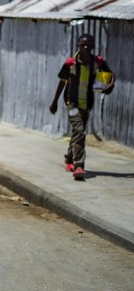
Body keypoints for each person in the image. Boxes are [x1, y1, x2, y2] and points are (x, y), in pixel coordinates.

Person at [49, 33, 115, 181]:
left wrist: (110, 85)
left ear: (93, 46)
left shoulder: (97, 61)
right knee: (79, 130)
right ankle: (79, 165)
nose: (86, 47)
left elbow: (110, 74)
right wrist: (54, 102)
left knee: (77, 133)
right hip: (71, 103)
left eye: (89, 44)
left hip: (87, 103)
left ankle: (69, 158)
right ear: (78, 45)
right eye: (83, 44)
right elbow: (62, 82)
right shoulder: (70, 63)